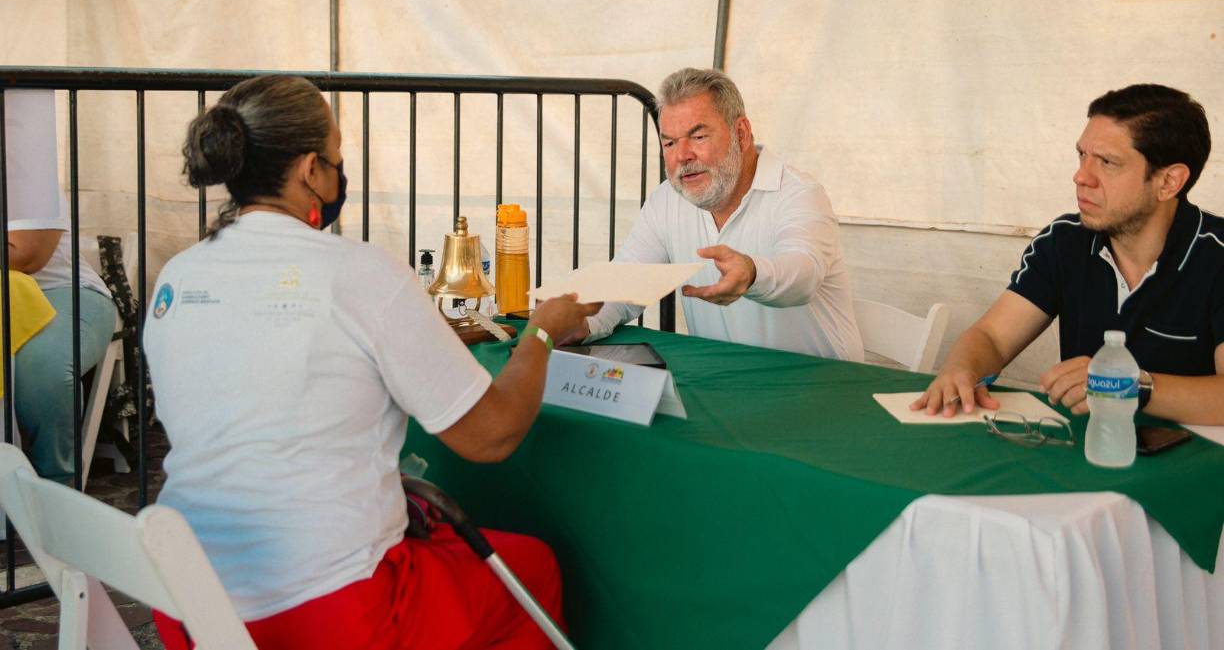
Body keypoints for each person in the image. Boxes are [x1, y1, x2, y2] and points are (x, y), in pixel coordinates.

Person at [142, 75, 599, 650]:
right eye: (336, 157)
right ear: (311, 170)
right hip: (328, 609)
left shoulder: (180, 275)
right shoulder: (356, 271)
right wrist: (541, 332)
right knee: (530, 567)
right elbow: (493, 434)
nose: (340, 171)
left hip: (188, 599)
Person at [913, 84, 1224, 425]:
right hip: (1087, 454)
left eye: (1107, 162)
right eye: (1082, 155)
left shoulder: (1216, 255)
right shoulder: (1065, 241)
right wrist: (962, 368)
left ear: (1169, 181)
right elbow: (992, 337)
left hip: (1198, 467)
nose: (1081, 176)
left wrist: (1132, 386)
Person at [572, 67, 863, 361]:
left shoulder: (799, 193)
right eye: (669, 142)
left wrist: (751, 273)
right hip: (724, 386)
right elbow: (626, 282)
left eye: (698, 136)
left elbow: (803, 274)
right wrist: (578, 322)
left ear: (741, 133)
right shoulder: (667, 200)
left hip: (820, 390)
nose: (682, 156)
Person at [8, 196, 117, 483]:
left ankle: (57, 485)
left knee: (41, 369)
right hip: (7, 295)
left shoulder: (33, 179)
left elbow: (25, 256)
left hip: (64, 291)